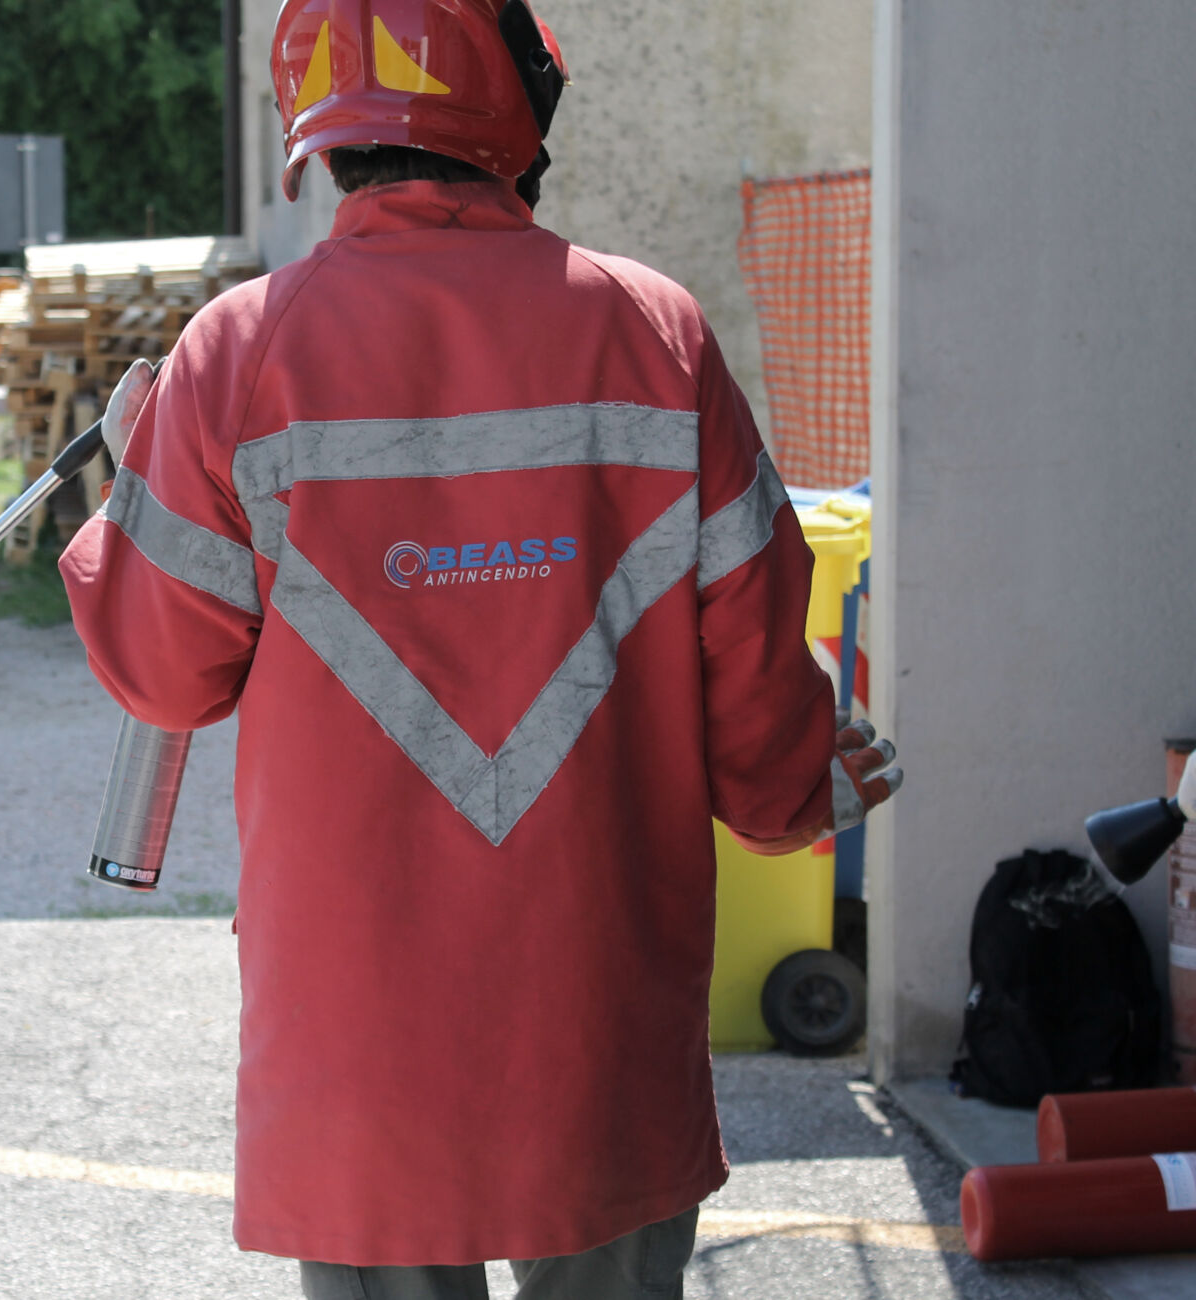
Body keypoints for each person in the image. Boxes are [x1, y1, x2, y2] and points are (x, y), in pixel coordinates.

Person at [58, 2, 902, 1296]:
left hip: (356, 1028)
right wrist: (797, 791)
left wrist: (138, 483)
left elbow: (164, 674)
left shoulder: (239, 352)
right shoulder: (652, 332)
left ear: (317, 138)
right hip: (597, 1001)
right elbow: (751, 645)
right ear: (521, 106)